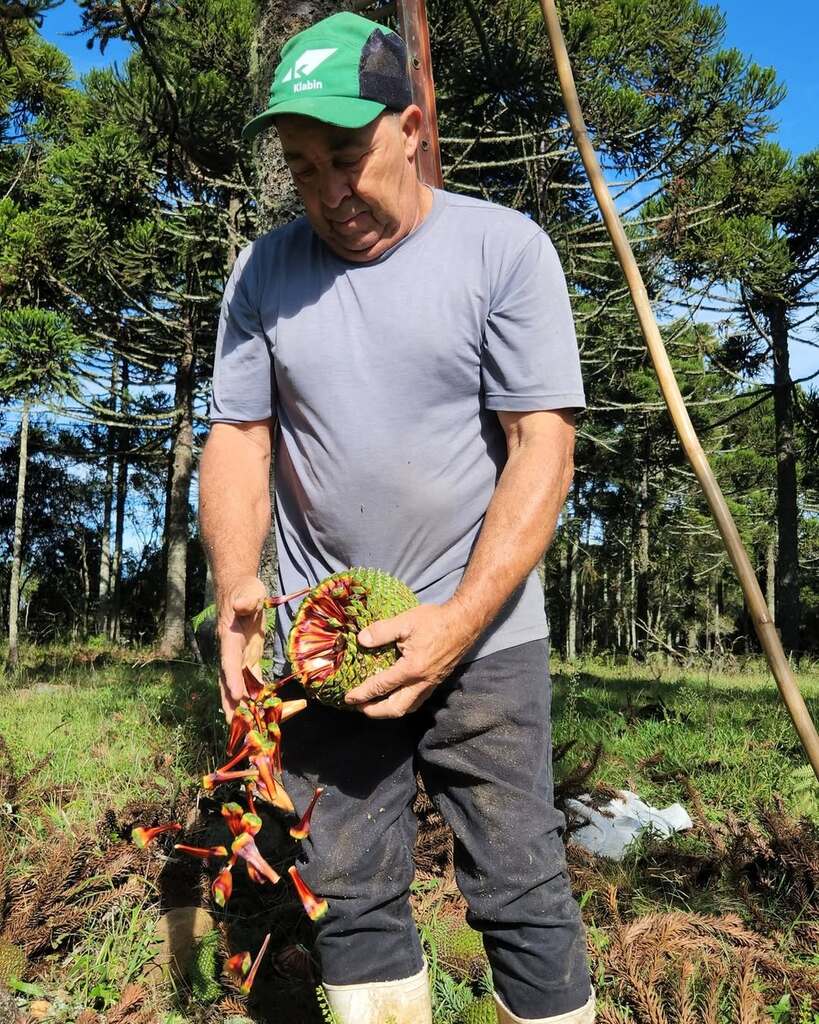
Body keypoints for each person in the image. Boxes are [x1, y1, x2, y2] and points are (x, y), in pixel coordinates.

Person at [199, 11, 594, 1024]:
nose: (329, 195)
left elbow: (539, 443)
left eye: (347, 158)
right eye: (300, 169)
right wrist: (240, 591)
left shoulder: (503, 251)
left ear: (412, 129)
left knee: (519, 884)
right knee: (352, 888)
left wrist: (460, 618)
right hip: (327, 640)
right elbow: (240, 440)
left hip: (487, 638)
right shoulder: (264, 274)